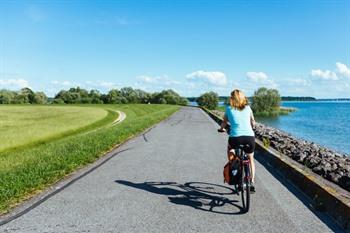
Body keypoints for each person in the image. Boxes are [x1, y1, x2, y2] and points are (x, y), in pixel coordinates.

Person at [218, 89, 256, 192]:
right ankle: (252, 182)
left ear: (232, 98)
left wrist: (222, 129)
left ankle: (233, 162)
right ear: (243, 98)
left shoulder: (229, 109)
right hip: (249, 138)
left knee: (230, 149)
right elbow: (253, 122)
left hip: (235, 138)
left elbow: (224, 123)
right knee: (251, 159)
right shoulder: (248, 108)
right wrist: (253, 127)